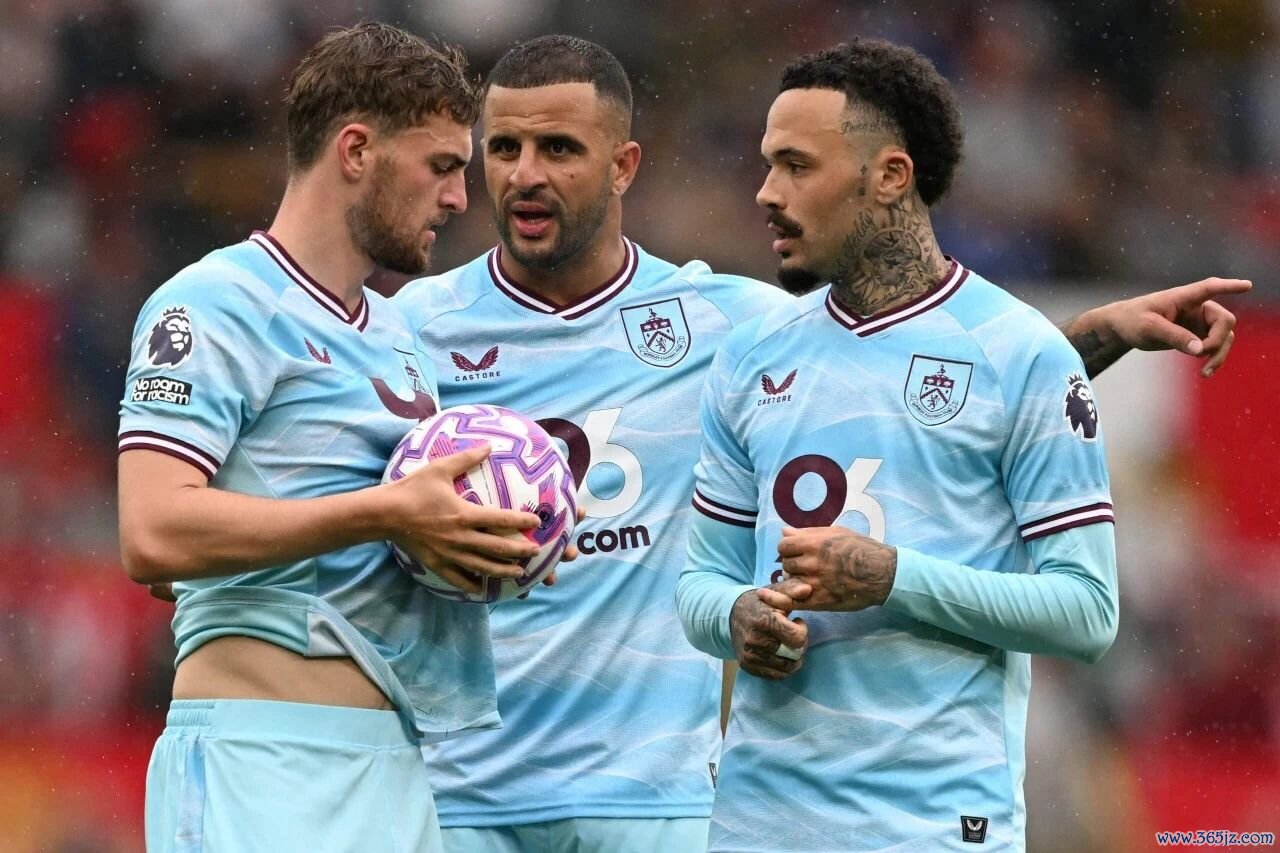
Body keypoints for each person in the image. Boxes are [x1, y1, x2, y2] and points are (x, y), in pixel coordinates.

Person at [395, 35, 1248, 853]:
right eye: (502, 147)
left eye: (556, 147)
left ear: (623, 165)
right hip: (471, 782)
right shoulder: (415, 330)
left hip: (661, 792)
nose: (524, 172)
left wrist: (1083, 342)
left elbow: (925, 376)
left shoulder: (728, 323)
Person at [674, 39, 1251, 852]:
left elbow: (1086, 612)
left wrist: (891, 578)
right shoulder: (751, 356)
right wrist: (736, 615)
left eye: (797, 166)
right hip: (758, 824)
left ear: (890, 176)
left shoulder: (1022, 353)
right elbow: (699, 581)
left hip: (934, 824)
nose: (767, 192)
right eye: (768, 165)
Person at [117, 23, 548, 853]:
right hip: (260, 759)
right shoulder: (214, 303)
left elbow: (340, 528)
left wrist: (491, 542)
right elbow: (153, 532)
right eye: (441, 166)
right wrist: (386, 512)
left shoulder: (398, 336)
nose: (459, 198)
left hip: (396, 761)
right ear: (356, 150)